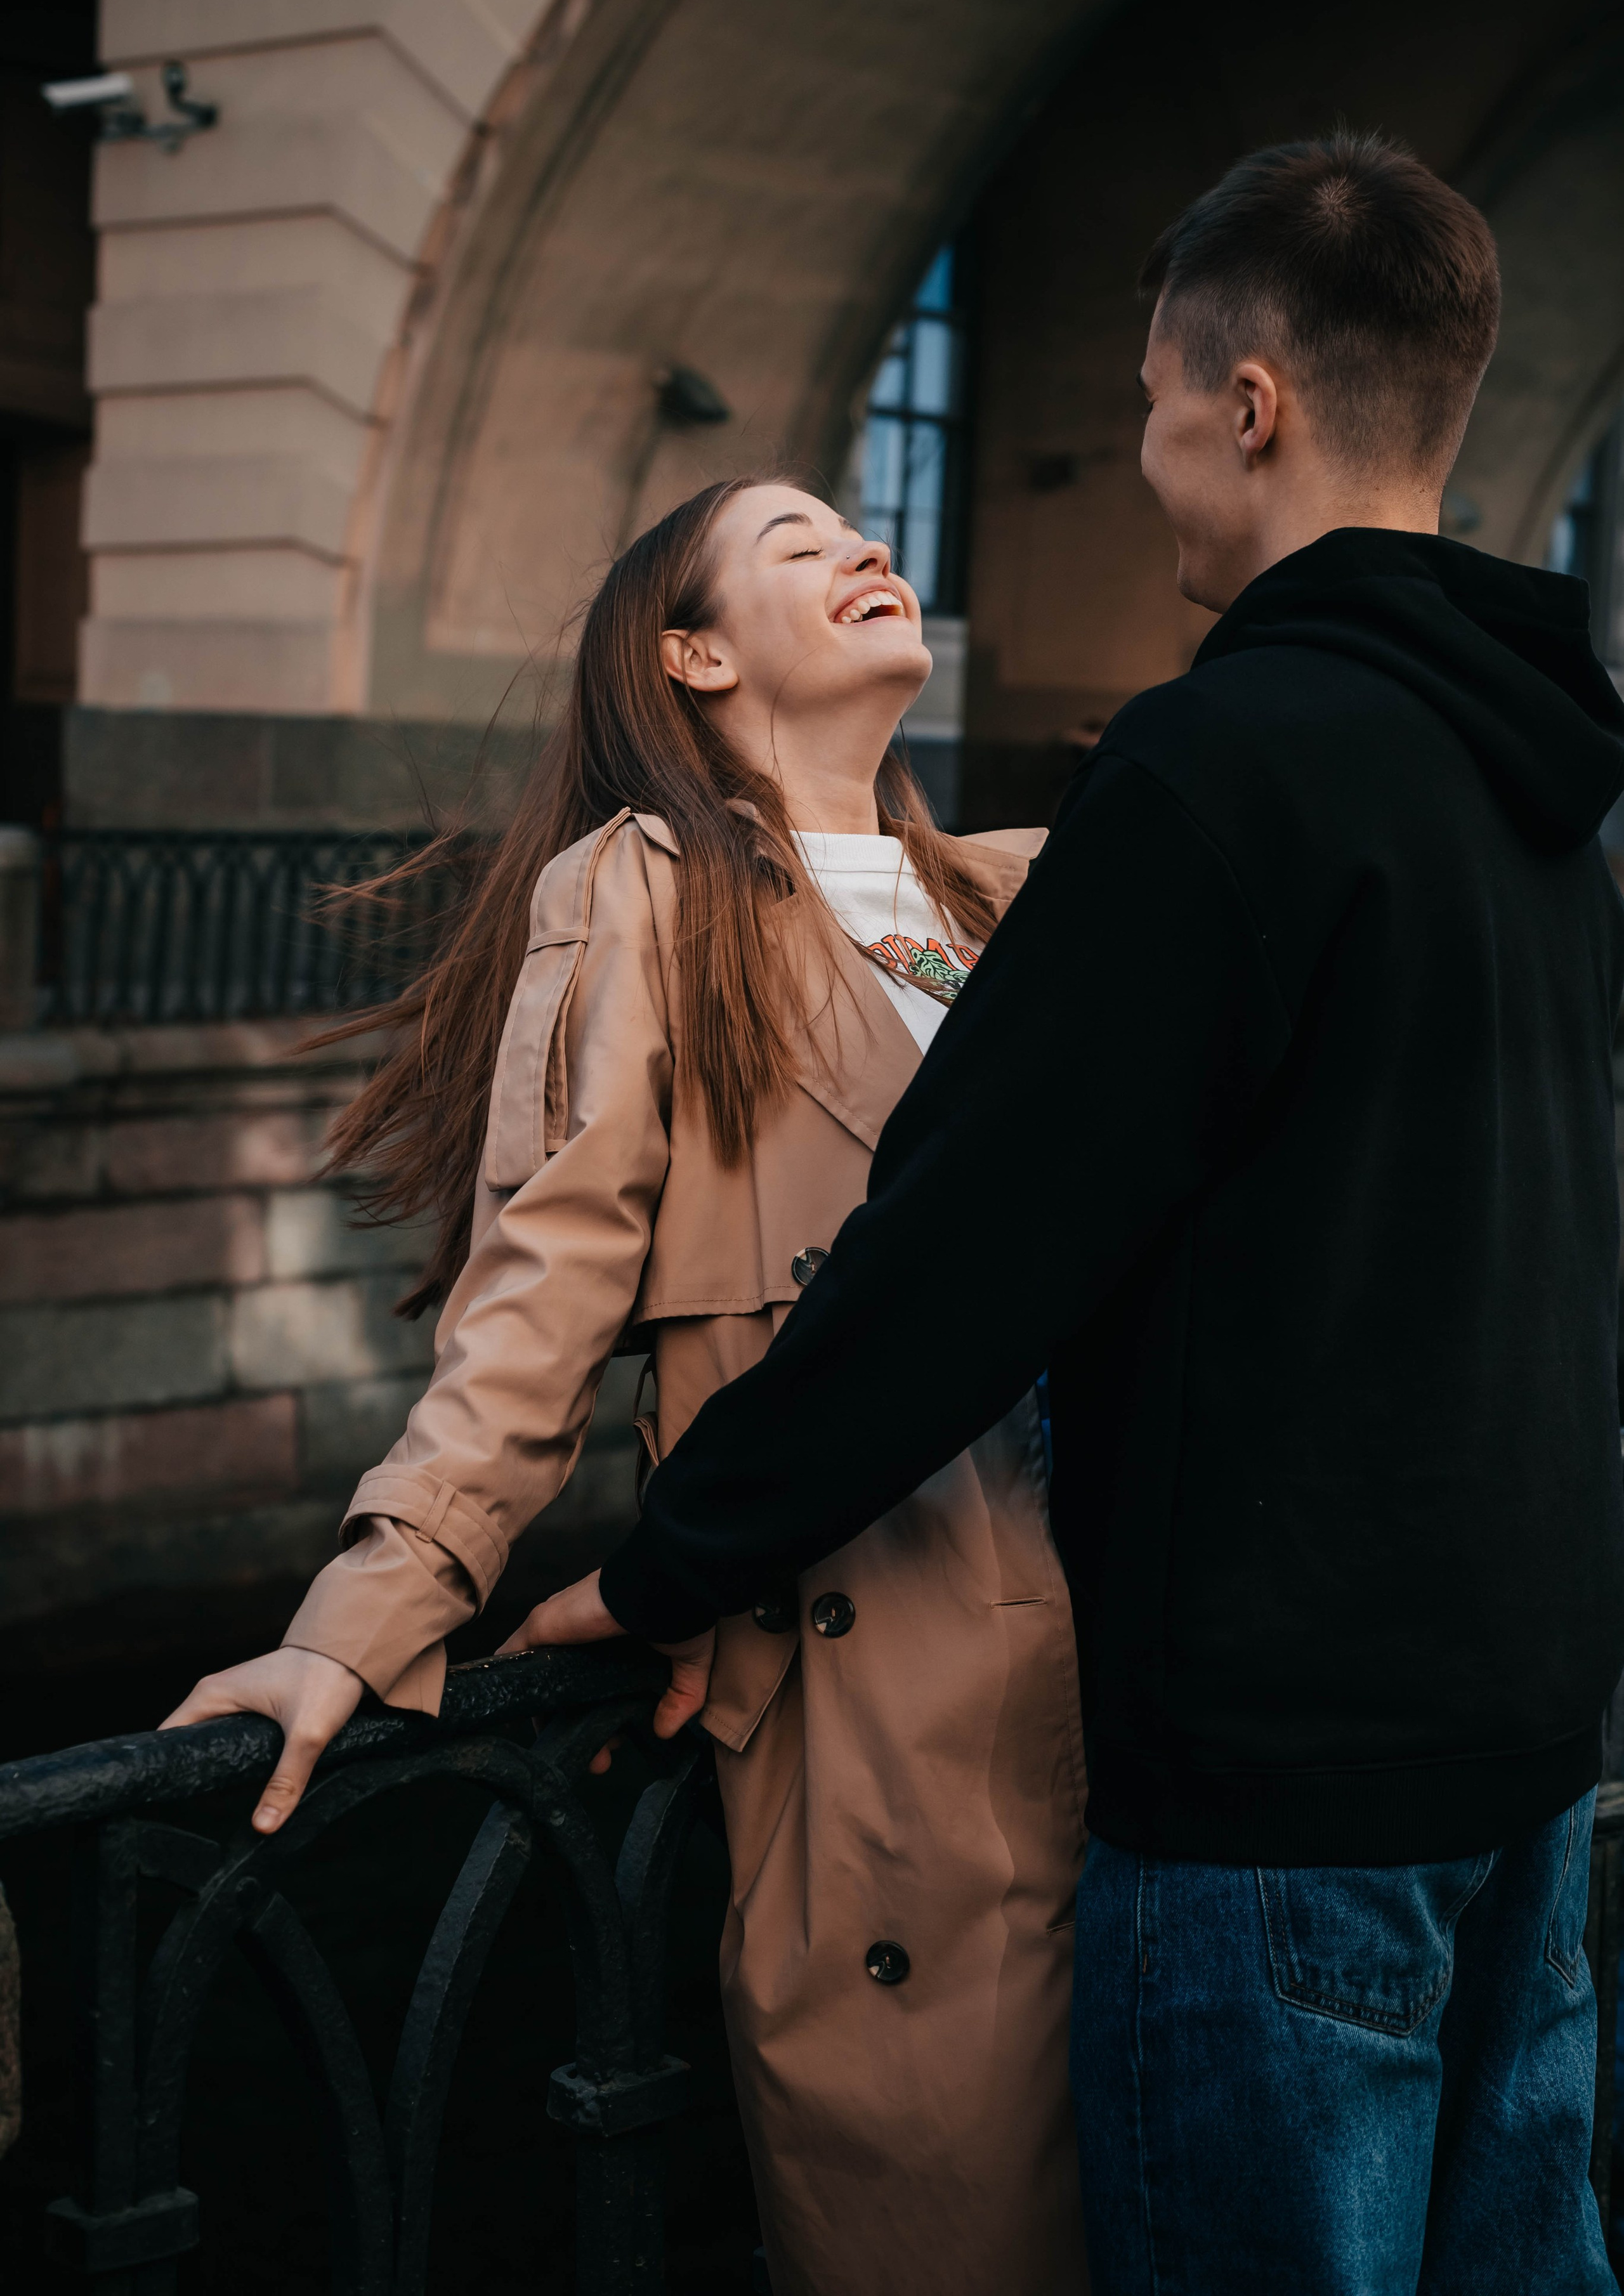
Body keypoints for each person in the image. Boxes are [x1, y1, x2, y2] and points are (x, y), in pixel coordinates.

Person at [520, 134, 1624, 2293]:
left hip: (1275, 1779)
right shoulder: (1556, 804)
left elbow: (964, 1247)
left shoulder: (1215, 770)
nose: (1138, 459)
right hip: (1525, 1735)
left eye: (1142, 404)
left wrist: (674, 1559)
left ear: (1249, 407)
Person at [160, 479, 1089, 2296]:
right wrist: (369, 1613)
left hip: (1144, 1672)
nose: (864, 544)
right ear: (698, 653)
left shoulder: (1017, 891)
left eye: (865, 524)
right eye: (798, 537)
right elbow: (544, 1282)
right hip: (896, 1705)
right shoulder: (654, 894)